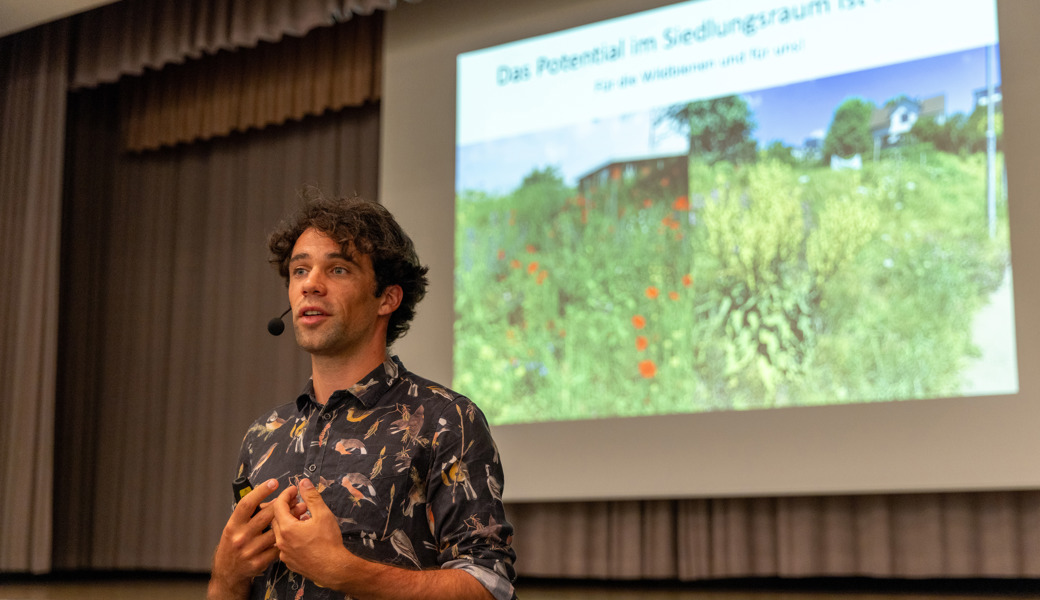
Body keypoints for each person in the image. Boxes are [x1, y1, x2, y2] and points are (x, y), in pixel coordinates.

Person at [208, 192, 517, 600]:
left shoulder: (448, 420)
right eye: (300, 271)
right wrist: (225, 578)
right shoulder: (265, 434)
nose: (310, 285)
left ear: (387, 298)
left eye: (337, 269)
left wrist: (344, 571)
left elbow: (489, 587)